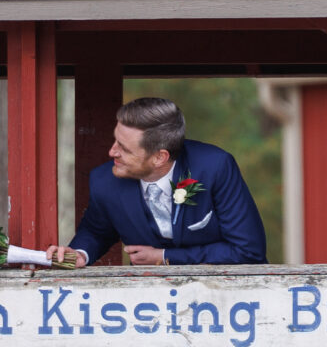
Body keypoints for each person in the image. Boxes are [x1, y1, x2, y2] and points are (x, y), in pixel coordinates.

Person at [46, 95, 267, 267]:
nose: (111, 151)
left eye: (124, 148)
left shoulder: (215, 167)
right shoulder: (104, 180)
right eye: (116, 140)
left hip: (230, 301)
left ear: (159, 157)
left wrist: (164, 256)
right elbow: (95, 232)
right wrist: (80, 253)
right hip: (148, 307)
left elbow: (248, 250)